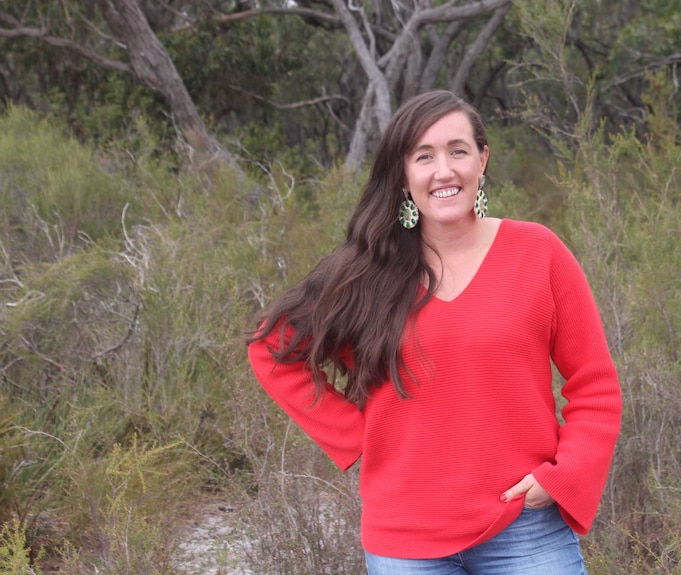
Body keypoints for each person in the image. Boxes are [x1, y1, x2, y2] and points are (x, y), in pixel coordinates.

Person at [247, 90, 622, 575]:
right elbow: (272, 347)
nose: (443, 171)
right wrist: (358, 435)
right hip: (404, 540)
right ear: (403, 174)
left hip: (524, 527)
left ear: (482, 160)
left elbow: (595, 386)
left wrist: (566, 475)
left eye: (458, 151)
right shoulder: (368, 270)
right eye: (424, 156)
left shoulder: (538, 252)